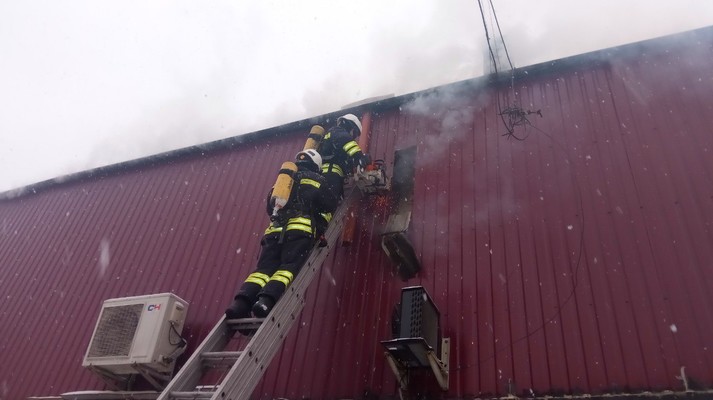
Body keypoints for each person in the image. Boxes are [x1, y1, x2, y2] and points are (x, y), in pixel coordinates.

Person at [225, 149, 338, 320]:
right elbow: (330, 205)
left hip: (274, 232)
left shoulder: (283, 181)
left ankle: (240, 304)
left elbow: (269, 208)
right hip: (299, 231)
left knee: (262, 271)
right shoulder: (317, 179)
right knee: (288, 267)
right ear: (316, 165)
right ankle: (265, 301)